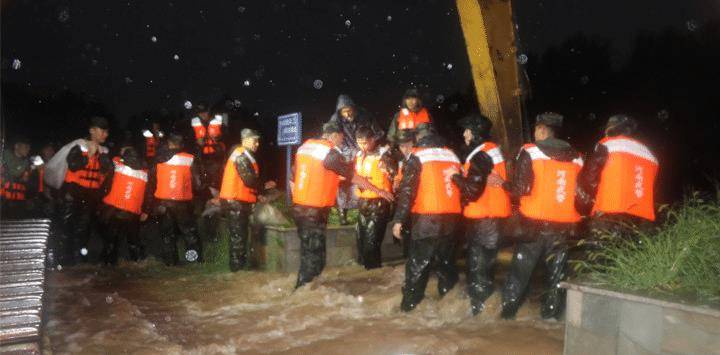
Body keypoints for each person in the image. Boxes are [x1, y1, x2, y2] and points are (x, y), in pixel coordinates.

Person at [496, 112, 584, 320]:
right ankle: (550, 319)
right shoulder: (577, 157)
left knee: (519, 275)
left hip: (534, 226)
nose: (535, 133)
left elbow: (522, 189)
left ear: (543, 129)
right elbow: (579, 194)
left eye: (537, 128)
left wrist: (502, 184)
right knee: (556, 276)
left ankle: (506, 318)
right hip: (563, 227)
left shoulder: (531, 151)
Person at [292, 121, 393, 288]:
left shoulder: (305, 147)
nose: (342, 141)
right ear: (334, 135)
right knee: (315, 258)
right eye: (341, 137)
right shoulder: (328, 152)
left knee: (309, 252)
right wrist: (379, 191)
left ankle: (307, 290)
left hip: (300, 207)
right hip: (313, 211)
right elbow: (350, 175)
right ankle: (303, 293)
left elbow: (296, 175)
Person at [390, 124, 462, 312]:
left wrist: (399, 220)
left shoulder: (419, 157)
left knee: (418, 267)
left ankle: (409, 308)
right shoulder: (452, 155)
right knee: (446, 266)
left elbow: (407, 192)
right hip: (452, 221)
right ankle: (451, 306)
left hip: (427, 220)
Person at [451, 114, 512, 315]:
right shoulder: (490, 151)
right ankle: (488, 313)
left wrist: (456, 178)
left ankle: (478, 314)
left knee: (477, 270)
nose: (464, 134)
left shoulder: (481, 155)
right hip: (492, 219)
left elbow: (471, 190)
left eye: (467, 130)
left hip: (484, 220)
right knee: (486, 269)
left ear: (475, 133)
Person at [576, 114, 659, 238]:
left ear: (612, 129)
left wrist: (589, 198)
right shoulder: (650, 155)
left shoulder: (608, 145)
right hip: (640, 221)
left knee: (601, 253)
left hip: (608, 214)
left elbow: (590, 179)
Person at [217, 128, 276, 271]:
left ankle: (239, 268)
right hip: (235, 202)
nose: (257, 144)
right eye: (254, 140)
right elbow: (249, 180)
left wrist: (257, 194)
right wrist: (264, 186)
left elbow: (248, 184)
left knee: (240, 236)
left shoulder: (245, 155)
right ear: (245, 140)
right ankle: (237, 271)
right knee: (238, 237)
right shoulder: (242, 156)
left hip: (238, 201)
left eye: (258, 141)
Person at [60, 117, 113, 264]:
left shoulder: (103, 152)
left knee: (84, 227)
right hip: (73, 191)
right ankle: (65, 258)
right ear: (92, 130)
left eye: (107, 132)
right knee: (67, 225)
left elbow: (105, 173)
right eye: (103, 131)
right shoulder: (79, 146)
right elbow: (73, 165)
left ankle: (80, 257)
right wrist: (89, 155)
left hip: (90, 194)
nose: (105, 135)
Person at [144, 133, 203, 266]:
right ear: (181, 145)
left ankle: (170, 263)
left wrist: (147, 208)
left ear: (168, 144)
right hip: (182, 203)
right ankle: (194, 261)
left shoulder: (157, 160)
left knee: (167, 235)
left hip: (162, 204)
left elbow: (151, 184)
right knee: (189, 234)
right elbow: (198, 184)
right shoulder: (189, 159)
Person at [327, 94, 382, 224]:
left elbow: (378, 132)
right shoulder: (335, 119)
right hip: (346, 150)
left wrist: (369, 144)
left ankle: (365, 209)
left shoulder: (364, 115)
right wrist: (345, 151)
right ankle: (342, 213)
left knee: (366, 178)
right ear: (340, 112)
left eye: (349, 110)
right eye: (344, 112)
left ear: (353, 108)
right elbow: (332, 135)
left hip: (364, 149)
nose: (347, 114)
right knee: (344, 182)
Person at [353, 126, 396, 269]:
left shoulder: (384, 155)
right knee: (361, 242)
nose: (362, 146)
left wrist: (389, 170)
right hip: (363, 202)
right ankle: (369, 275)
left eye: (365, 142)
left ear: (372, 140)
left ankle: (374, 274)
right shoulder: (359, 155)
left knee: (371, 244)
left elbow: (395, 174)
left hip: (379, 204)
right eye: (359, 142)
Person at [99, 146, 148, 265]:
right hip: (132, 212)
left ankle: (108, 263)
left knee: (111, 239)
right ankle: (137, 261)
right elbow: (148, 194)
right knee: (133, 239)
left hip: (115, 209)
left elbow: (105, 184)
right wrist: (146, 210)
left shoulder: (117, 166)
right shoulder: (145, 173)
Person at [1, 136, 33, 218]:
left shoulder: (26, 162)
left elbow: (27, 182)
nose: (28, 149)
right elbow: (15, 172)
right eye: (25, 146)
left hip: (18, 200)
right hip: (3, 200)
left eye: (29, 147)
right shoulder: (5, 155)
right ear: (16, 146)